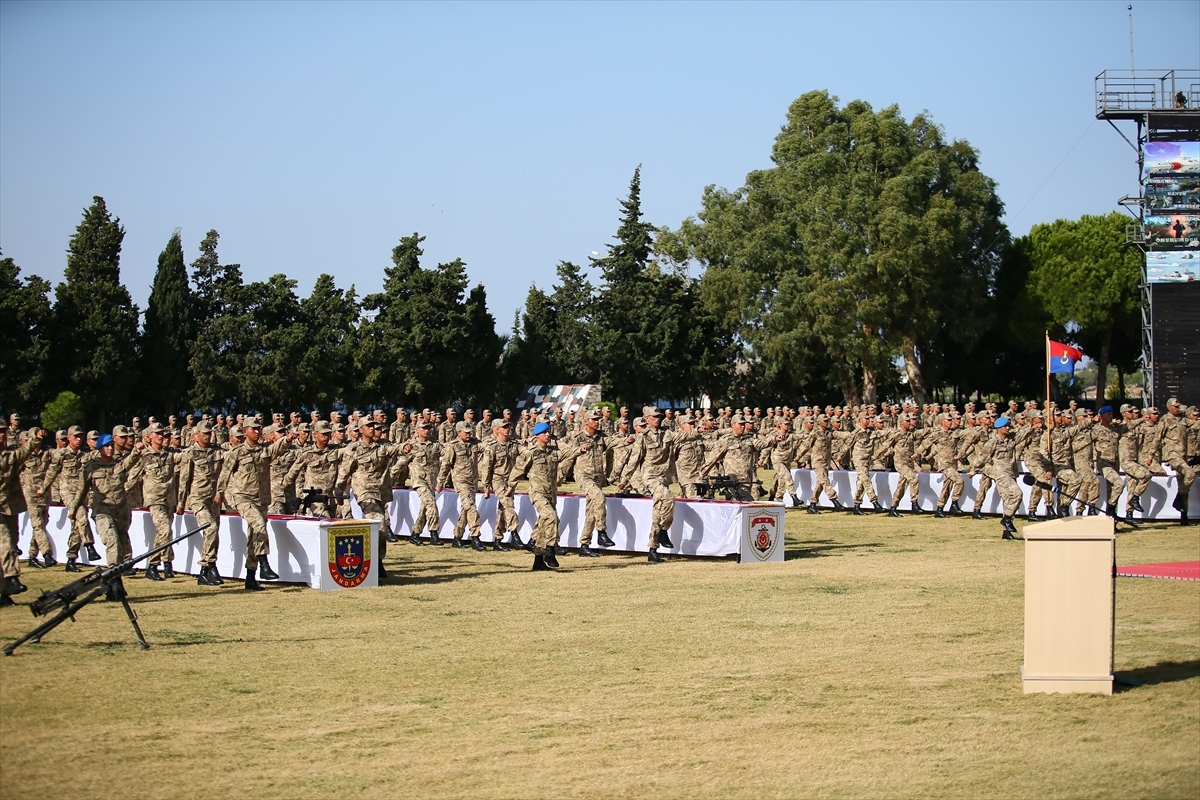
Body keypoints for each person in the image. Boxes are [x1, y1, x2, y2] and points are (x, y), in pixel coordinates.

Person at [215, 420, 295, 591]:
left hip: (262, 499)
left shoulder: (264, 450)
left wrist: (287, 440)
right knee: (259, 524)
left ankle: (250, 576)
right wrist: (219, 494)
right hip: (243, 498)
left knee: (255, 535)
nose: (257, 432)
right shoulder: (237, 452)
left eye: (259, 429)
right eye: (254, 429)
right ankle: (264, 564)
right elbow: (224, 474)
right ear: (245, 431)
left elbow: (277, 448)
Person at [622, 407, 699, 562]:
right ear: (647, 418)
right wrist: (624, 479)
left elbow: (685, 436)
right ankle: (664, 531)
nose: (657, 418)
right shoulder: (643, 437)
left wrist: (699, 430)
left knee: (658, 513)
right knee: (669, 498)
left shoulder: (667, 433)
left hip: (664, 478)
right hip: (650, 477)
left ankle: (653, 548)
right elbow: (634, 460)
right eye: (654, 416)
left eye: (659, 416)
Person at [337, 419, 406, 577]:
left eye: (373, 426)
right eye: (368, 426)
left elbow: (395, 449)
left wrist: (405, 447)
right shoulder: (353, 449)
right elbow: (344, 471)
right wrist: (339, 491)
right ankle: (372, 566)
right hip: (364, 491)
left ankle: (378, 561)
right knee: (380, 522)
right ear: (361, 429)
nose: (372, 428)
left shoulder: (381, 446)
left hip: (380, 491)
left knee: (380, 526)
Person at [558, 409, 625, 555]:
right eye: (594, 419)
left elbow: (613, 441)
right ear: (586, 421)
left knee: (591, 512)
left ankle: (584, 545)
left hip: (598, 478)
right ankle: (601, 532)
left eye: (598, 419)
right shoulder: (577, 437)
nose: (597, 421)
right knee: (600, 498)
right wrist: (560, 476)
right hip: (584, 476)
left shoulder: (601, 437)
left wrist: (627, 440)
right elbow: (568, 455)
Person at [509, 422, 572, 570]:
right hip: (537, 492)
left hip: (550, 492)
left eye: (549, 432)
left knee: (544, 525)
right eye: (544, 433)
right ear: (537, 436)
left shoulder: (552, 452)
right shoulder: (530, 452)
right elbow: (517, 470)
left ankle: (538, 560)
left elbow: (567, 454)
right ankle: (550, 551)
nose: (548, 435)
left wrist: (580, 450)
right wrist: (510, 487)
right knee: (551, 517)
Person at [75, 433, 144, 569]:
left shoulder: (119, 465)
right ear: (100, 448)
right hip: (102, 511)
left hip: (121, 511)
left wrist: (136, 450)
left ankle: (119, 571)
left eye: (112, 446)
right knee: (112, 541)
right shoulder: (91, 468)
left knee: (122, 541)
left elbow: (131, 460)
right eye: (106, 446)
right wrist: (74, 509)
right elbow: (82, 490)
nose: (110, 449)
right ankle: (113, 573)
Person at [41, 425, 99, 571]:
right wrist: (43, 488)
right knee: (82, 516)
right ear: (69, 438)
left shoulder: (83, 455)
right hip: (68, 492)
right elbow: (51, 473)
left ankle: (71, 559)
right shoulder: (61, 454)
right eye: (75, 436)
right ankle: (90, 547)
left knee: (77, 526)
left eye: (80, 436)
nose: (78, 439)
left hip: (81, 493)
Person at [128, 422, 181, 580]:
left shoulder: (170, 454)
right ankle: (153, 564)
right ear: (148, 437)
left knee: (163, 533)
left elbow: (184, 457)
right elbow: (132, 476)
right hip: (154, 499)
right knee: (165, 530)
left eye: (163, 434)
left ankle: (165, 563)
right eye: (157, 433)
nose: (161, 436)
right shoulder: (144, 455)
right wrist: (120, 493)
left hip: (169, 499)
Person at [177, 421, 226, 585]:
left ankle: (206, 571)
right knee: (210, 527)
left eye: (209, 433)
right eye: (204, 433)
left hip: (214, 499)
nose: (207, 435)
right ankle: (208, 565)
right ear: (196, 435)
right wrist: (181, 503)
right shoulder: (190, 454)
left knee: (213, 533)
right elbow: (184, 480)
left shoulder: (217, 452)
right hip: (198, 498)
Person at [1, 426, 45, 606]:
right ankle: (12, 578)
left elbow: (22, 454)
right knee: (6, 544)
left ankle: (3, 593)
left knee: (11, 543)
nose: (2, 435)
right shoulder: (7, 458)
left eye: (3, 431)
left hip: (9, 506)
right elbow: (19, 455)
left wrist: (35, 439)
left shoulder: (8, 455)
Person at [969, 418, 1022, 539]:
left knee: (1008, 500)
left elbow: (1024, 433)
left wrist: (1034, 427)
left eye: (1009, 426)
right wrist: (973, 470)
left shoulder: (1012, 439)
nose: (1009, 428)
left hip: (1011, 473)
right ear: (999, 428)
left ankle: (1006, 531)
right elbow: (981, 457)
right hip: (1001, 474)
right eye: (1006, 426)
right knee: (1017, 493)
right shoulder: (993, 442)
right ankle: (1007, 519)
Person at [436, 421, 486, 550]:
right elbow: (445, 466)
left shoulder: (475, 443)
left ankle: (457, 537)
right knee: (471, 507)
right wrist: (440, 482)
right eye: (466, 432)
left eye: (470, 432)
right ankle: (475, 537)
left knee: (466, 510)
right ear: (459, 433)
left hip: (473, 482)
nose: (469, 434)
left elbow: (487, 447)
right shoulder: (452, 446)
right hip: (460, 482)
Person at [480, 418, 525, 550]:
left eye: (508, 427)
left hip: (510, 481)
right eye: (504, 427)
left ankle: (498, 540)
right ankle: (514, 534)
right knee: (508, 505)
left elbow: (525, 451)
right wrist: (486, 487)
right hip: (497, 479)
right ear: (497, 429)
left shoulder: (513, 444)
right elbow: (486, 468)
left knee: (503, 509)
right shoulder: (492, 447)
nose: (507, 429)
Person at [18, 428, 56, 568]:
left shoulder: (46, 452)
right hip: (31, 494)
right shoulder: (24, 455)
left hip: (45, 495)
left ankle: (32, 555)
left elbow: (58, 455)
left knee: (42, 523)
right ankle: (47, 554)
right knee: (38, 524)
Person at [404, 419, 443, 545]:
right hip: (419, 481)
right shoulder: (412, 445)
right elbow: (401, 463)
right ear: (417, 430)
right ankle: (434, 532)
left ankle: (415, 534)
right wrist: (390, 477)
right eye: (424, 428)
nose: (427, 431)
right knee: (431, 503)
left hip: (431, 481)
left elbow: (446, 452)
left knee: (424, 508)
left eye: (428, 428)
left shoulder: (435, 444)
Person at [1163, 398, 1195, 526]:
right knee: (1190, 474)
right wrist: (1151, 455)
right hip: (1173, 455)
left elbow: (1196, 424)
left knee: (1183, 483)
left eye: (1178, 406)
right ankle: (1178, 499)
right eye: (1175, 406)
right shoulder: (1165, 420)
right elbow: (1157, 438)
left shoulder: (1183, 420)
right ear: (1169, 407)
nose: (1177, 408)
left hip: (1183, 456)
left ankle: (1184, 516)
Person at [888, 413, 921, 517]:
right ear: (901, 422)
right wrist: (875, 456)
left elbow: (922, 433)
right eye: (907, 421)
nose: (909, 422)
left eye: (909, 420)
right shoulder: (897, 434)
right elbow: (886, 445)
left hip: (909, 463)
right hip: (900, 464)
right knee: (914, 480)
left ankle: (893, 508)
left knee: (901, 487)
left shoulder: (911, 434)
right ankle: (914, 504)